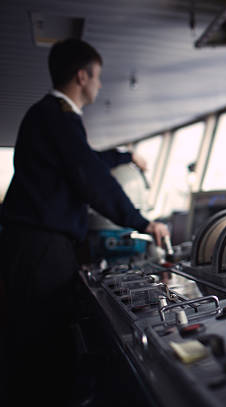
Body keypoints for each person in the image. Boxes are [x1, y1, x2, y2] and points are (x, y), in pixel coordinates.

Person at [0, 38, 168, 405]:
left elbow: (83, 160)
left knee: (34, 338)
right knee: (41, 342)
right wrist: (143, 222)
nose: (100, 85)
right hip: (40, 251)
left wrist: (124, 156)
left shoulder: (48, 116)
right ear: (82, 75)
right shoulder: (58, 116)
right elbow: (90, 178)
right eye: (98, 77)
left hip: (31, 245)